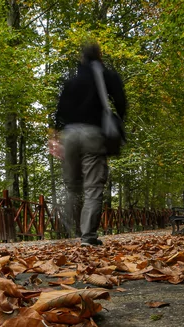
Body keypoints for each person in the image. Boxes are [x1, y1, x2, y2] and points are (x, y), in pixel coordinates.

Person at [53, 42, 127, 247]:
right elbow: (121, 102)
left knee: (72, 186)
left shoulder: (71, 81)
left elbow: (59, 114)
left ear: (82, 59)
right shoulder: (106, 76)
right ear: (99, 56)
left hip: (69, 135)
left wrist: (57, 138)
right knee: (93, 187)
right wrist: (117, 119)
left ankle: (62, 228)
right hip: (93, 135)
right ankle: (87, 237)